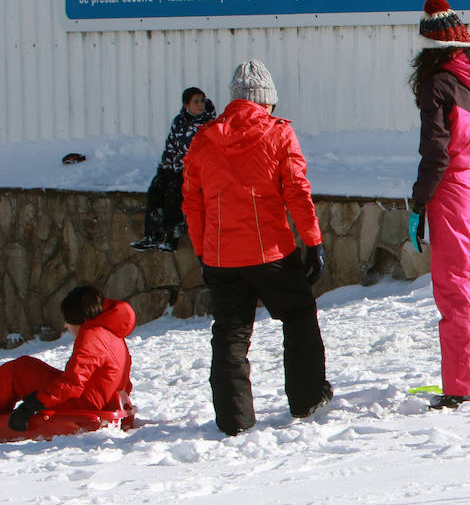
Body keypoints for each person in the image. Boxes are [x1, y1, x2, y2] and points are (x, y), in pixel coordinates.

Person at [182, 60, 331, 436]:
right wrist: (312, 241)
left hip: (221, 256)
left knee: (230, 333)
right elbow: (297, 191)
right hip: (272, 254)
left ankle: (234, 419)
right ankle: (307, 397)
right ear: (266, 100)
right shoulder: (278, 133)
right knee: (298, 318)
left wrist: (202, 251)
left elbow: (192, 202)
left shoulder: (203, 138)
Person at [408, 0, 470, 408]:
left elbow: (435, 153)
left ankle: (464, 385)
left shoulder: (438, 84)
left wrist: (417, 204)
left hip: (452, 190)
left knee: (454, 288)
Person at [4, 285, 135, 431]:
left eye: (67, 319)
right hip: (100, 400)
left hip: (84, 405)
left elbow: (73, 383)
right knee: (27, 364)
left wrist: (33, 404)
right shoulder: (112, 334)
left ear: (77, 317)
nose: (65, 325)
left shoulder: (92, 336)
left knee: (16, 370)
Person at [132, 87, 216, 252]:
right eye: (196, 101)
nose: (200, 105)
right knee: (156, 188)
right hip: (176, 168)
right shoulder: (179, 121)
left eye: (202, 101)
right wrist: (164, 168)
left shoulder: (210, 124)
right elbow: (170, 147)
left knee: (173, 191)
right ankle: (152, 234)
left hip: (195, 171)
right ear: (186, 105)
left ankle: (172, 235)